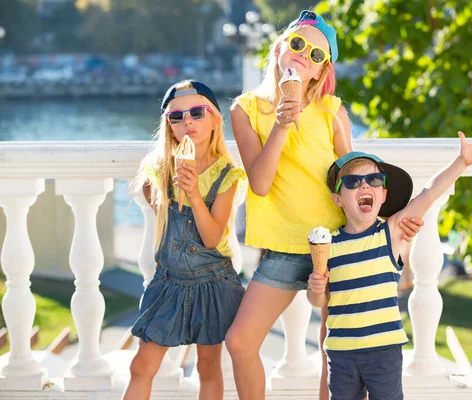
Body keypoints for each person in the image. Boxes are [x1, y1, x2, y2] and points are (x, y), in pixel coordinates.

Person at [226, 9, 423, 400]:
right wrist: (282, 124)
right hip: (284, 248)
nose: (305, 56)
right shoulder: (245, 110)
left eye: (317, 56)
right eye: (298, 45)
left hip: (339, 246)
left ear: (321, 71)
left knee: (336, 350)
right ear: (280, 48)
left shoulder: (332, 111)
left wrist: (391, 234)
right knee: (240, 341)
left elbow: (357, 182)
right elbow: (261, 185)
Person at [307, 127, 472, 400]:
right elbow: (318, 301)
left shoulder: (391, 232)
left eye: (373, 180)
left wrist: (462, 162)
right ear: (338, 199)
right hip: (341, 353)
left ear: (383, 194)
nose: (364, 186)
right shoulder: (328, 245)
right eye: (352, 182)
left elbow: (429, 193)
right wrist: (315, 288)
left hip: (384, 352)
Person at [122, 80, 246, 400]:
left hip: (213, 279)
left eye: (196, 112)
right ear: (169, 126)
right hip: (169, 282)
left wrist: (193, 193)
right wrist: (170, 186)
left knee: (208, 367)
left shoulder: (226, 174)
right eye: (177, 117)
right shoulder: (159, 170)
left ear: (215, 119)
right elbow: (159, 212)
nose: (187, 121)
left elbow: (212, 236)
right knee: (141, 366)